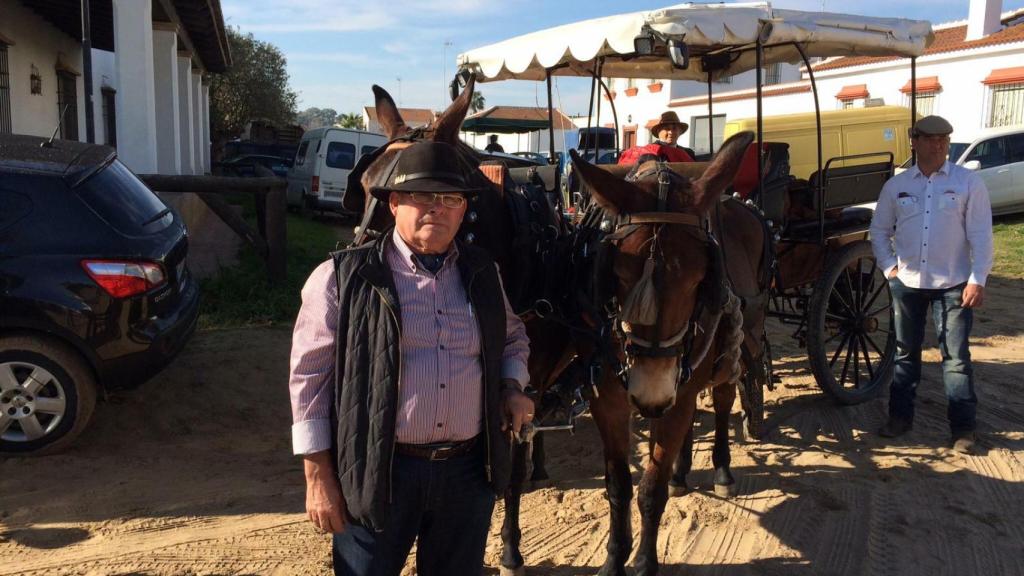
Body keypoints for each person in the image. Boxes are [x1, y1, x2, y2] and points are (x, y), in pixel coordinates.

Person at [288, 140, 534, 576]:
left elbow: (512, 338)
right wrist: (317, 477)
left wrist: (513, 386)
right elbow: (310, 381)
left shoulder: (483, 272)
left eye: (450, 198)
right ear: (395, 202)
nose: (436, 208)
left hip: (466, 472)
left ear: (463, 211)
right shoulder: (343, 277)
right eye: (422, 195)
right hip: (378, 471)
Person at [869, 115, 993, 454]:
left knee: (955, 358)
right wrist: (889, 268)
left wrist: (977, 278)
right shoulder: (896, 186)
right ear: (915, 142)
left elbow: (981, 235)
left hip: (954, 283)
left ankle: (963, 429)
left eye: (944, 139)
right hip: (907, 283)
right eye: (931, 139)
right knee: (905, 353)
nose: (939, 145)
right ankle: (900, 418)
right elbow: (879, 231)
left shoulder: (968, 183)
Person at [618, 111, 694, 165]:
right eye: (667, 128)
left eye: (674, 128)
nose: (671, 132)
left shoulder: (688, 153)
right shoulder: (649, 152)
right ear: (658, 131)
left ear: (680, 132)